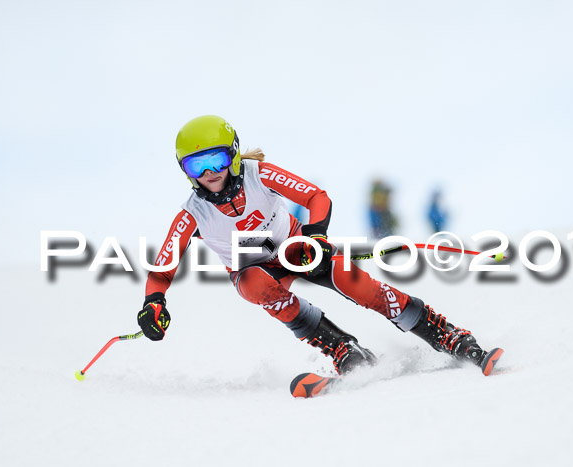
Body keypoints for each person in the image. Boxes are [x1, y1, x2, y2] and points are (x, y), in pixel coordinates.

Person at [137, 115, 502, 387]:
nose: (210, 173)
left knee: (352, 281)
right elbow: (163, 268)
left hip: (296, 248)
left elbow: (316, 196)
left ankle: (447, 335)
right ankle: (342, 349)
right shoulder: (193, 214)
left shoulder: (258, 173)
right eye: (196, 165)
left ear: (232, 154)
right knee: (253, 285)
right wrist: (154, 303)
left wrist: (317, 238)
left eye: (215, 160)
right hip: (254, 270)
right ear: (185, 171)